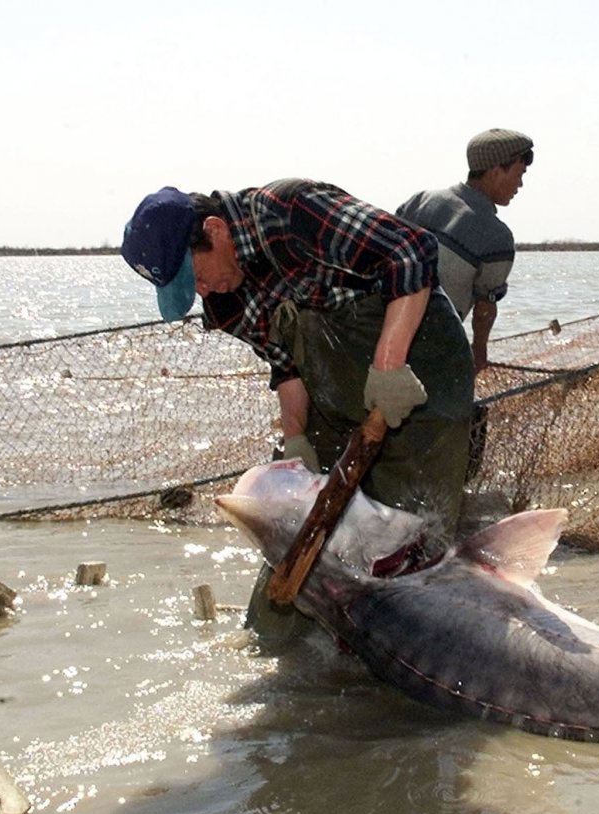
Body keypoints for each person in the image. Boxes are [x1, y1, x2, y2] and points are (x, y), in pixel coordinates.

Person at [121, 178, 475, 640]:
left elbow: (410, 251)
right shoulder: (223, 299)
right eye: (191, 290)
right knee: (296, 534)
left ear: (215, 229)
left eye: (198, 277)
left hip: (419, 366)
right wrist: (296, 438)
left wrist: (389, 366)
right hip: (332, 388)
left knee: (414, 535)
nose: (204, 292)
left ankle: (414, 668)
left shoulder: (288, 212)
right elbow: (284, 361)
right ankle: (287, 655)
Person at [396, 128, 533, 373]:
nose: (520, 184)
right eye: (519, 173)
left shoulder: (420, 200)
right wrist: (479, 354)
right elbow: (484, 309)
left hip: (382, 327)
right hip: (431, 346)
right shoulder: (497, 236)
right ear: (495, 171)